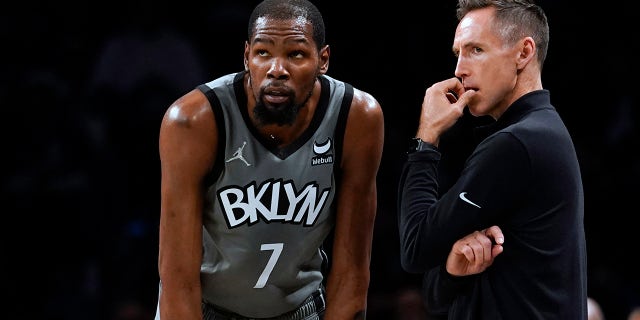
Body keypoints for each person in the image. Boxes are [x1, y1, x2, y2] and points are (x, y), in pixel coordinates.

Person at [154, 0, 384, 319]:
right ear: (247, 56)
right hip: (209, 310)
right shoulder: (193, 120)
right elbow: (177, 280)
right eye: (263, 53)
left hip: (301, 310)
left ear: (323, 60)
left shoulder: (357, 117)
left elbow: (352, 275)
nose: (277, 70)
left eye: (296, 54)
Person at [397, 0, 587, 319]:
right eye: (458, 53)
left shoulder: (517, 144)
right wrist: (452, 269)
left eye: (476, 50)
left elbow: (414, 249)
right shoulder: (541, 131)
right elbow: (434, 293)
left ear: (524, 53)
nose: (459, 70)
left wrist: (427, 137)